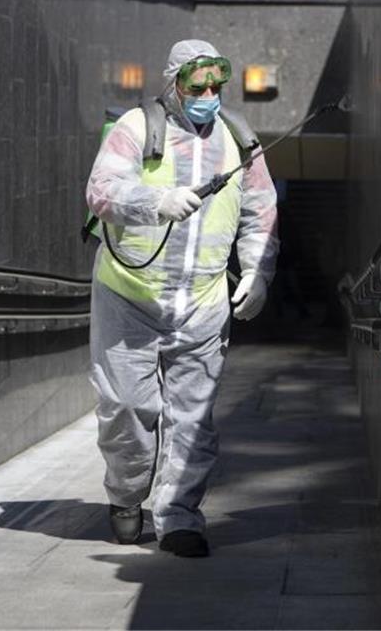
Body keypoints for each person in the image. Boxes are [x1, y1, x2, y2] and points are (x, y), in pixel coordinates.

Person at [85, 39, 279, 557]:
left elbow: (261, 210)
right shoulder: (134, 129)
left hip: (203, 299)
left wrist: (258, 270)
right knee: (127, 406)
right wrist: (156, 201)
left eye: (218, 86)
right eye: (198, 86)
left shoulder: (240, 140)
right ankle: (127, 495)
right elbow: (100, 191)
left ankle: (180, 517)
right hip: (129, 294)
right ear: (174, 84)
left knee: (193, 418)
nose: (209, 95)